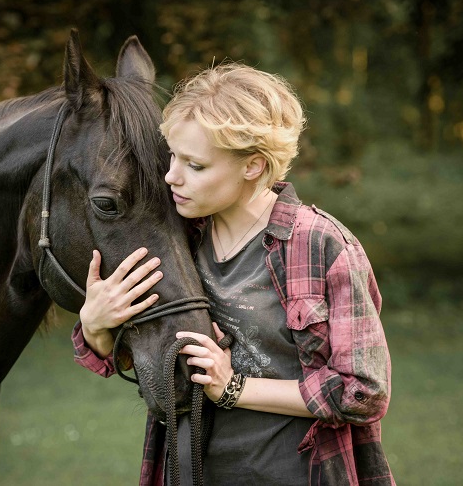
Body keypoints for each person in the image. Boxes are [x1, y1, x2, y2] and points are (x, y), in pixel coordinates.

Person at [71, 63, 393, 485]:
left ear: (254, 166)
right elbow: (136, 356)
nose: (172, 176)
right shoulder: (177, 238)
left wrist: (234, 387)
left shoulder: (321, 245)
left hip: (300, 473)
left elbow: (364, 392)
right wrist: (95, 326)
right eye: (173, 155)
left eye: (196, 165)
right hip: (189, 472)